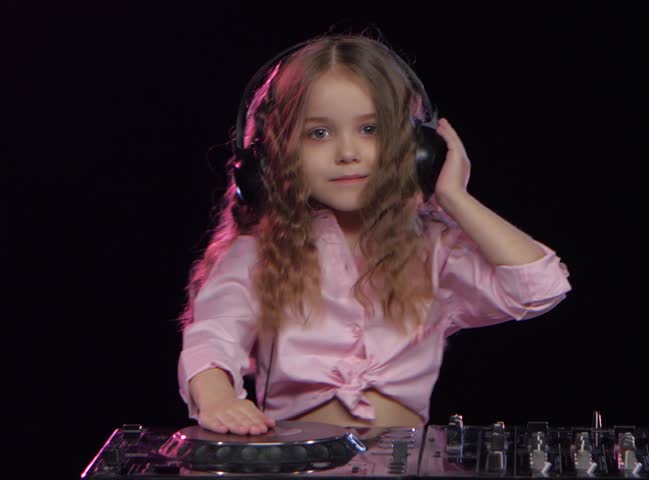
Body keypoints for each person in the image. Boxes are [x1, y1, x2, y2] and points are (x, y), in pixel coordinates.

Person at [177, 33, 571, 436]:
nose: (347, 153)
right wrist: (220, 400)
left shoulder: (433, 249)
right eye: (319, 134)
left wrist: (453, 197)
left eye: (370, 129)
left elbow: (540, 287)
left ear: (416, 149)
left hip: (405, 458)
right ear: (272, 156)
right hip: (299, 459)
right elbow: (213, 337)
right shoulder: (258, 255)